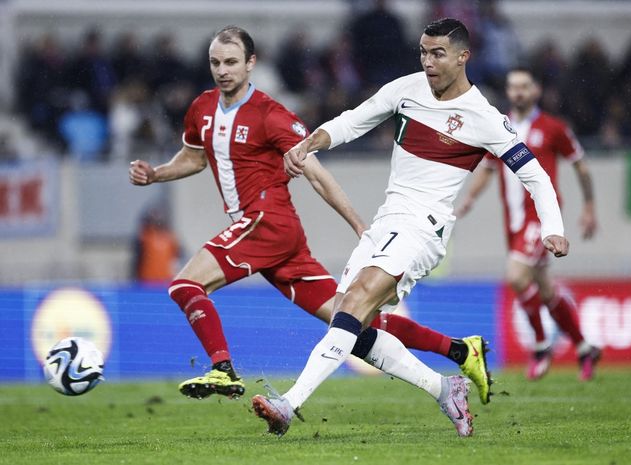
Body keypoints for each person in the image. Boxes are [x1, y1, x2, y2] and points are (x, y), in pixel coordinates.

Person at [128, 26, 489, 402]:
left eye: (232, 62)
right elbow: (193, 156)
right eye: (216, 62)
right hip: (272, 236)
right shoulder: (201, 107)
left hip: (266, 222)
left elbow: (317, 174)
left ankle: (223, 370)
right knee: (352, 322)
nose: (223, 70)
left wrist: (358, 225)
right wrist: (157, 173)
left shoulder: (271, 115)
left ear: (251, 64)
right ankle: (461, 351)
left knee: (185, 285)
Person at [252, 18, 568, 438]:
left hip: (424, 228)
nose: (428, 61)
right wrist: (309, 142)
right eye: (423, 51)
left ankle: (288, 405)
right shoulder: (406, 89)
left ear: (462, 57)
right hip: (386, 222)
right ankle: (444, 388)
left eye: (438, 53)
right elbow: (352, 120)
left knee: (355, 302)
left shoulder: (484, 118)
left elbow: (536, 176)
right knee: (356, 326)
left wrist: (554, 226)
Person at [455, 67, 601, 381]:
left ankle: (539, 345)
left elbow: (581, 167)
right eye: (512, 87)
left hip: (540, 219)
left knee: (517, 276)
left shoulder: (553, 128)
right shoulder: (500, 126)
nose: (518, 92)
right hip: (514, 222)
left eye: (524, 86)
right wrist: (470, 198)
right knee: (546, 289)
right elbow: (488, 169)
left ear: (535, 90)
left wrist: (589, 207)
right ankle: (585, 347)